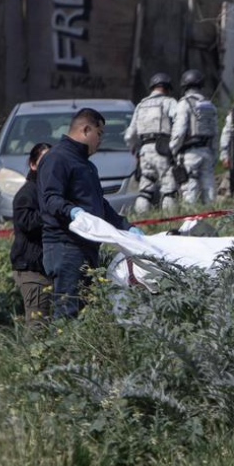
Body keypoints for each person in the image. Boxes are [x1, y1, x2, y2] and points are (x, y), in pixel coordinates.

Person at [39, 108, 141, 319]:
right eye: (100, 133)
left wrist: (125, 226)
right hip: (66, 246)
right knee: (68, 314)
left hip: (86, 247)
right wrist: (73, 212)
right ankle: (64, 352)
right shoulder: (58, 158)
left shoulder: (86, 166)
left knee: (84, 314)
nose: (101, 140)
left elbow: (98, 205)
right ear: (86, 129)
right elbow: (51, 198)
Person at [124, 72, 178, 212]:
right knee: (169, 189)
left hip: (144, 151)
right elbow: (179, 123)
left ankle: (142, 219)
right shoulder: (170, 102)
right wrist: (176, 146)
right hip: (163, 148)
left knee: (145, 189)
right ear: (167, 88)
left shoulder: (141, 105)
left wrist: (135, 150)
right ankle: (169, 220)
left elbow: (129, 135)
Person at [11, 142, 52, 325]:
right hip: (32, 269)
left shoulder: (49, 192)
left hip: (47, 267)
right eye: (44, 161)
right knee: (37, 327)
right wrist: (54, 211)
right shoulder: (27, 193)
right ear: (33, 164)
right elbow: (26, 223)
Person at [169, 69, 218, 205]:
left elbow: (179, 131)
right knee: (209, 187)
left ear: (184, 86)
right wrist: (215, 153)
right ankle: (211, 215)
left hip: (190, 153)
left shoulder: (184, 104)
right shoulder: (209, 105)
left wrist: (173, 149)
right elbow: (215, 132)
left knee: (190, 189)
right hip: (207, 152)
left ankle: (189, 219)